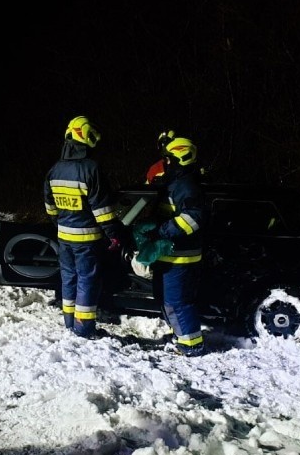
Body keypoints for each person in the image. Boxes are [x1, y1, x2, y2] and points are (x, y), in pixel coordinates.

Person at [43, 115, 127, 339]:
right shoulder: (91, 169)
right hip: (87, 239)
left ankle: (70, 323)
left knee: (68, 279)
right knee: (87, 281)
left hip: (64, 237)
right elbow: (102, 209)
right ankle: (84, 328)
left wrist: (61, 225)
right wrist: (113, 234)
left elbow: (50, 207)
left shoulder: (54, 170)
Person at [137, 130, 206, 357]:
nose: (164, 162)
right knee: (167, 300)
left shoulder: (185, 185)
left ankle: (192, 345)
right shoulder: (175, 182)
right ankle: (180, 336)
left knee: (177, 302)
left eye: (168, 158)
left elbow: (193, 218)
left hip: (181, 256)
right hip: (171, 255)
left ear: (178, 158)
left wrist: (162, 230)